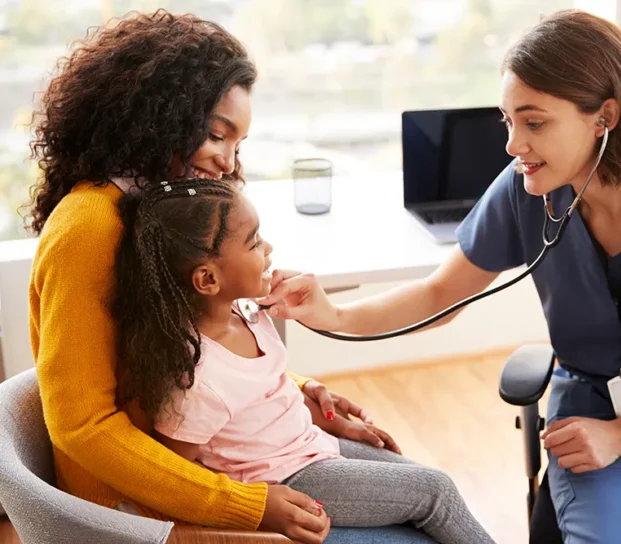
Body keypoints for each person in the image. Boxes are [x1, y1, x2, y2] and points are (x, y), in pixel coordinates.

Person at [257, 9, 621, 544]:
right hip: (595, 405)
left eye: (535, 122)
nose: (512, 145)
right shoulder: (529, 192)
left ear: (605, 117)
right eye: (508, 120)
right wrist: (330, 314)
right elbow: (440, 294)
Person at [26, 10, 433, 544]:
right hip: (135, 513)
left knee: (419, 498)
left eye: (237, 145)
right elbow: (84, 428)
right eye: (218, 135)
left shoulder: (156, 214)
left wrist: (302, 393)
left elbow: (193, 365)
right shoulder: (89, 227)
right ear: (160, 115)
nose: (226, 162)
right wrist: (245, 505)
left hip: (205, 465)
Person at [109, 177, 495, 544]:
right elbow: (178, 474)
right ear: (208, 280)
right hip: (288, 477)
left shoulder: (247, 312)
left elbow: (271, 396)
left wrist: (333, 421)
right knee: (436, 490)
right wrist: (255, 511)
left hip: (312, 445)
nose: (269, 249)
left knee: (424, 482)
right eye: (254, 243)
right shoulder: (200, 381)